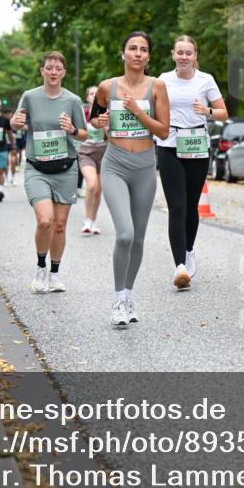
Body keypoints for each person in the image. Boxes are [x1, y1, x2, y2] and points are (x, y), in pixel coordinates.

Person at [90, 31, 170, 327]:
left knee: (137, 237)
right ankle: (117, 299)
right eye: (132, 48)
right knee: (124, 233)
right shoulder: (106, 88)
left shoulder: (157, 87)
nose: (137, 53)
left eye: (143, 49)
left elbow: (163, 131)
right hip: (115, 164)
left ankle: (127, 295)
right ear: (123, 54)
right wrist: (99, 122)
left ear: (149, 57)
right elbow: (94, 120)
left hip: (145, 166)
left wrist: (137, 110)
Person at [11, 51, 87, 294]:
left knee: (60, 225)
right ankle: (40, 269)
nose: (53, 72)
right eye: (49, 68)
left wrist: (72, 129)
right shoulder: (30, 97)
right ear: (42, 71)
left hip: (65, 168)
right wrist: (16, 123)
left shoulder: (73, 100)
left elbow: (84, 134)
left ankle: (54, 274)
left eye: (58, 68)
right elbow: (16, 122)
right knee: (45, 221)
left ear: (64, 72)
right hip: (37, 168)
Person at [156, 35, 228, 288]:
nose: (184, 57)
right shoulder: (163, 80)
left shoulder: (205, 80)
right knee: (176, 206)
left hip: (197, 144)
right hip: (169, 146)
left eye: (189, 53)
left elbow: (223, 113)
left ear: (195, 56)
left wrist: (206, 111)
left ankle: (188, 249)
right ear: (173, 55)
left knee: (191, 205)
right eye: (180, 52)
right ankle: (179, 267)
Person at [77, 85, 107, 235]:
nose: (94, 96)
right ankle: (87, 220)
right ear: (87, 97)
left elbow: (112, 135)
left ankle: (93, 222)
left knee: (98, 191)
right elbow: (76, 133)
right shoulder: (82, 114)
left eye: (97, 94)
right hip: (86, 153)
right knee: (91, 185)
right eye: (91, 94)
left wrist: (107, 125)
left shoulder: (105, 114)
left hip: (103, 153)